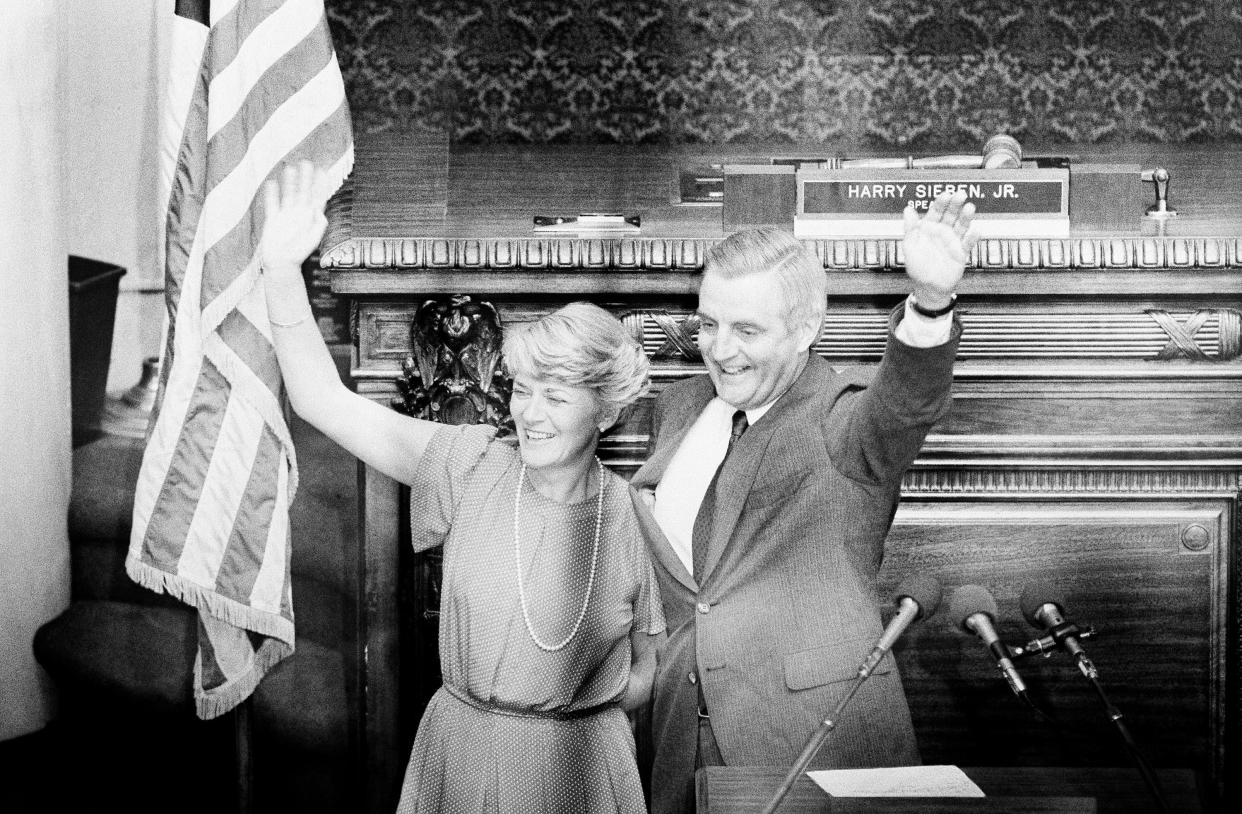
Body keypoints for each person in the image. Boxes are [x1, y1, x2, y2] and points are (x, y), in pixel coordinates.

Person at [259, 160, 666, 814]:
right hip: (465, 757)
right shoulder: (468, 463)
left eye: (556, 397)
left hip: (583, 774)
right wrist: (280, 274)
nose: (530, 413)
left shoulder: (631, 517)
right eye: (523, 389)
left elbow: (650, 669)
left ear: (607, 411)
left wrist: (578, 723)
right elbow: (319, 400)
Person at [629, 191, 977, 814]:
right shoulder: (680, 407)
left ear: (805, 330)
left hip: (813, 742)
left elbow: (904, 405)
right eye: (709, 324)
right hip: (680, 742)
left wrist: (929, 305)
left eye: (747, 330)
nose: (720, 348)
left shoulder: (844, 418)